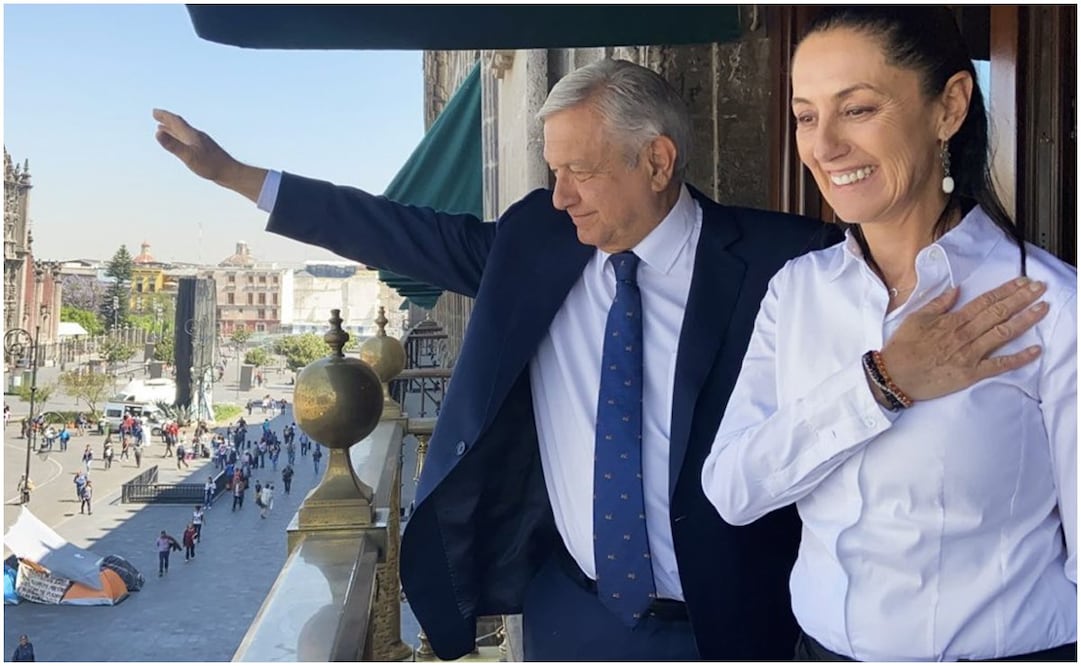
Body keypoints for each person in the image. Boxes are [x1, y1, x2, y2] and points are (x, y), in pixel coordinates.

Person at [154, 58, 838, 661]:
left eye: (580, 171)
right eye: (552, 171)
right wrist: (235, 175)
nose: (561, 194)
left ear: (657, 162)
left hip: (739, 623)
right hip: (570, 614)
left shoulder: (788, 261)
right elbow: (394, 230)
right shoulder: (539, 241)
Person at [701, 7, 1076, 662]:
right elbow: (732, 490)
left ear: (948, 108)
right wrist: (880, 385)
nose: (823, 146)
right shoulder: (796, 292)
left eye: (857, 109)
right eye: (805, 115)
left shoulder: (1051, 307)